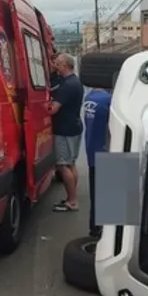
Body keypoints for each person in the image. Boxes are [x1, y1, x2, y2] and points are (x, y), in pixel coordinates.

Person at [48, 53, 84, 212]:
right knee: (71, 163)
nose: (56, 66)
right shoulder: (74, 82)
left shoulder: (67, 86)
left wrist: (43, 106)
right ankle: (72, 197)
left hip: (64, 129)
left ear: (65, 65)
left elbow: (53, 109)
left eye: (58, 63)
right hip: (74, 127)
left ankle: (72, 201)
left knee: (63, 166)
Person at [83, 85, 112, 236]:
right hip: (111, 151)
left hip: (93, 151)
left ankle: (95, 229)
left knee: (96, 195)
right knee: (114, 204)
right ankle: (109, 236)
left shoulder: (90, 97)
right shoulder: (112, 100)